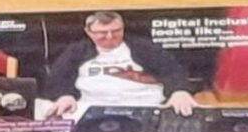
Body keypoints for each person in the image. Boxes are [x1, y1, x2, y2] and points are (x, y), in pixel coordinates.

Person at [39, 10, 199, 120]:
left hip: (146, 106)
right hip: (92, 109)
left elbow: (173, 70)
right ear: (89, 32)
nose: (110, 37)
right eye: (102, 33)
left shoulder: (144, 47)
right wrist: (65, 96)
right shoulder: (76, 51)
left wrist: (180, 91)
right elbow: (57, 79)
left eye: (116, 31)